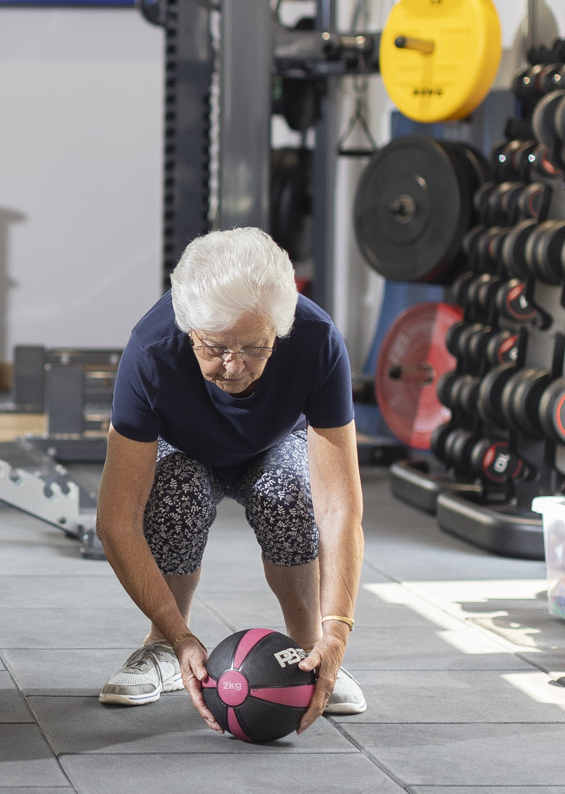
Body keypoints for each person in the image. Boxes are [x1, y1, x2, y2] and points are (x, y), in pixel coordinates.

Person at [96, 227, 367, 731]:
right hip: (186, 447)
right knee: (176, 492)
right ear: (189, 329)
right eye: (216, 347)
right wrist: (182, 638)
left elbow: (340, 507)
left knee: (288, 491)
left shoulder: (316, 339)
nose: (236, 366)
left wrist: (337, 632)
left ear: (279, 331)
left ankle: (309, 653)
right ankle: (161, 647)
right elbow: (117, 522)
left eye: (256, 347)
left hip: (275, 442)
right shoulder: (151, 349)